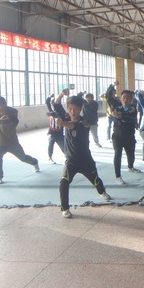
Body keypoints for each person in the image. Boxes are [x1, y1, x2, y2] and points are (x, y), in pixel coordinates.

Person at [53, 89, 110, 218]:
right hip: (71, 160)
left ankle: (102, 192)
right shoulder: (66, 116)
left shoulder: (84, 123)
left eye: (75, 109)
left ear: (80, 109)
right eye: (70, 109)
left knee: (95, 180)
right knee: (63, 182)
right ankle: (65, 209)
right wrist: (61, 94)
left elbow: (73, 126)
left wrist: (63, 124)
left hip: (85, 161)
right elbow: (56, 105)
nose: (72, 112)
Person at [0, 88, 39, 184]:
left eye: (0, 105)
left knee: (23, 158)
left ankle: (34, 162)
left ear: (5, 104)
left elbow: (2, 122)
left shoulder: (12, 114)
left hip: (12, 143)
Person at [106, 81, 141, 185]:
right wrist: (112, 85)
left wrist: (118, 115)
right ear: (120, 99)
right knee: (118, 154)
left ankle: (130, 167)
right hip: (117, 136)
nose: (125, 100)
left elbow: (130, 117)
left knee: (131, 154)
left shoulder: (133, 108)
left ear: (131, 99)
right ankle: (118, 176)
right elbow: (108, 96)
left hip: (129, 136)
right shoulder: (116, 105)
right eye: (123, 97)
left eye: (128, 98)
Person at [45, 95, 65, 164]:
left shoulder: (61, 112)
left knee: (63, 146)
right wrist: (50, 96)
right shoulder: (51, 111)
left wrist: (51, 114)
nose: (53, 106)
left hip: (59, 133)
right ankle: (50, 157)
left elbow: (56, 115)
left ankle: (68, 156)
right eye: (52, 105)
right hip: (52, 132)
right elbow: (47, 102)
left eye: (54, 105)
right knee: (51, 144)